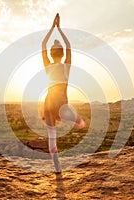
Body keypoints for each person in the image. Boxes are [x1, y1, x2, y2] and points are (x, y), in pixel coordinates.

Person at [42, 13, 85, 173]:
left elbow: (43, 43)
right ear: (61, 53)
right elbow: (68, 46)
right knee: (79, 124)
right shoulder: (67, 66)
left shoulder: (48, 66)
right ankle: (71, 121)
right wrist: (59, 29)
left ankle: (57, 166)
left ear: (52, 53)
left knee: (52, 136)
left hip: (49, 103)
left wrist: (52, 28)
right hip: (61, 103)